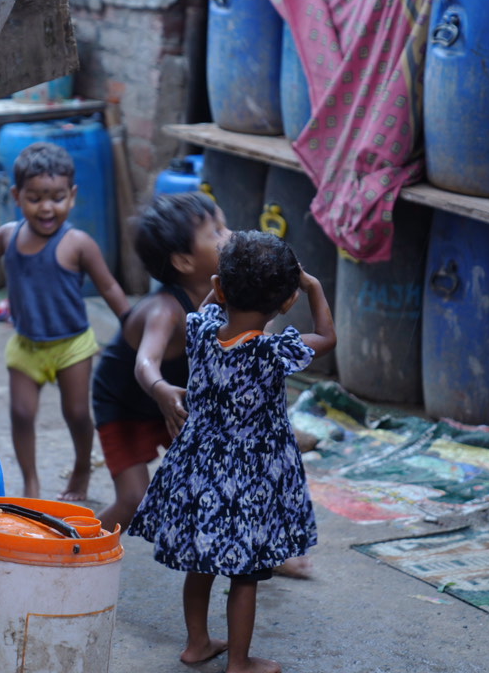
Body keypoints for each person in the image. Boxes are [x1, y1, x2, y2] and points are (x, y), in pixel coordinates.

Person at [127, 230, 337, 673]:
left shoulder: (201, 330)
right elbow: (327, 337)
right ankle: (239, 662)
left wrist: (218, 287)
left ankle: (197, 643)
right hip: (251, 482)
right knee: (245, 573)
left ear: (220, 288)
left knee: (202, 561)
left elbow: (207, 307)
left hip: (199, 470)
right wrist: (313, 286)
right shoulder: (273, 352)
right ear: (287, 302)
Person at [0, 142, 130, 501]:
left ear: (72, 196)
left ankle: (81, 468)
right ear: (17, 196)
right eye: (35, 198)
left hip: (72, 345)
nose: (47, 207)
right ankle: (31, 482)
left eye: (57, 198)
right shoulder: (8, 236)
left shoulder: (78, 243)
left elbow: (109, 287)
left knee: (77, 413)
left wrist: (132, 324)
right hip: (27, 345)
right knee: (21, 413)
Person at [91, 192, 230, 532]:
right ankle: (71, 545)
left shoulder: (225, 293)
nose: (231, 236)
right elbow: (145, 361)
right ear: (184, 261)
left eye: (225, 227)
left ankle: (235, 547)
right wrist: (160, 388)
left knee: (219, 474)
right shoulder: (164, 309)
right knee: (133, 500)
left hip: (174, 402)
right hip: (124, 406)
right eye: (217, 232)